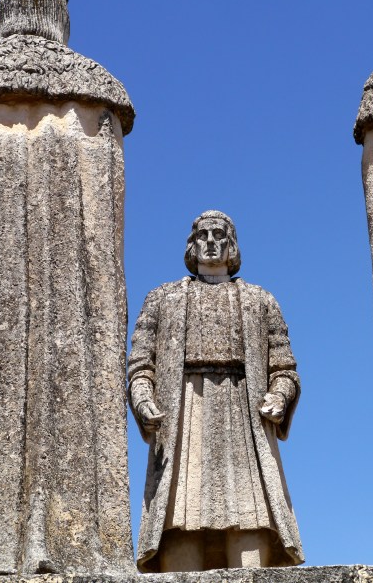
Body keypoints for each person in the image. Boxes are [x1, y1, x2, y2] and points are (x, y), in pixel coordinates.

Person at [128, 210, 303, 572]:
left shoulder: (260, 300)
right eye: (202, 235)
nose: (210, 242)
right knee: (178, 518)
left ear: (231, 244)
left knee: (253, 516)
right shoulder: (162, 298)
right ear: (191, 245)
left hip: (243, 415)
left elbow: (284, 369)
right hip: (184, 414)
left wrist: (279, 396)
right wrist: (143, 399)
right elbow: (141, 365)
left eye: (219, 235)